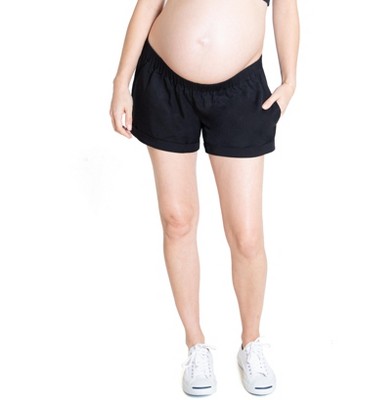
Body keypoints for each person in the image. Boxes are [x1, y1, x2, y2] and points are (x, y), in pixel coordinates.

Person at [110, 0, 299, 396]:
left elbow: (285, 8)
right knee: (177, 220)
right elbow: (149, 4)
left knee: (246, 235)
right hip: (163, 83)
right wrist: (121, 82)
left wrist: (290, 80)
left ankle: (251, 342)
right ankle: (195, 344)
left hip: (240, 92)